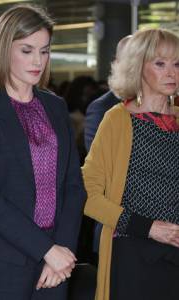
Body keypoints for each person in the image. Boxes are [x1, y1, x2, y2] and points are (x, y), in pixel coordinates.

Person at [0, 4, 86, 300]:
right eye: (27, 50)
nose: (38, 61)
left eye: (44, 51)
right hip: (4, 257)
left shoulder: (55, 106)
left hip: (56, 260)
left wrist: (61, 252)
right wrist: (46, 248)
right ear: (5, 49)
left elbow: (72, 186)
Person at [82, 28, 179, 300]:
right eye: (160, 63)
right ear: (138, 67)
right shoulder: (117, 120)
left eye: (177, 63)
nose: (171, 72)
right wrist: (148, 227)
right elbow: (88, 192)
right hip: (133, 253)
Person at [84, 35, 131, 259]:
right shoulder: (103, 108)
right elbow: (103, 171)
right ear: (117, 62)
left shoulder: (167, 107)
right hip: (115, 225)